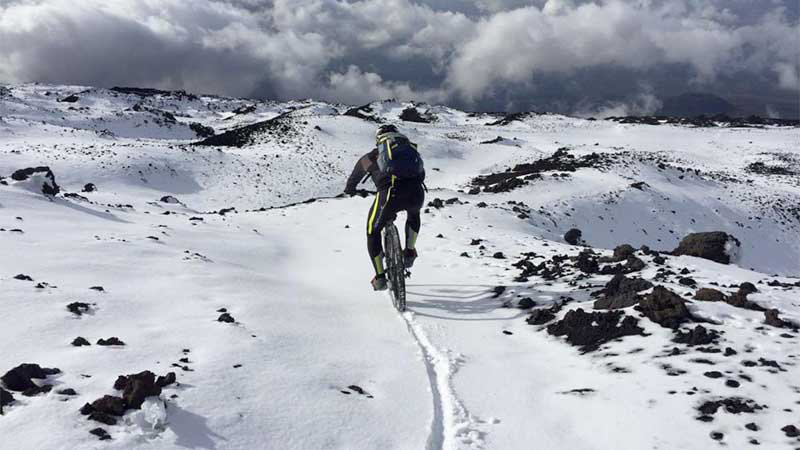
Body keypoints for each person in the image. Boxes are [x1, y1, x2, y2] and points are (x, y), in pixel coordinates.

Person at [344, 124, 425, 291]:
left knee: (372, 232)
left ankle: (380, 277)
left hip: (389, 196)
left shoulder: (370, 158)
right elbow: (421, 173)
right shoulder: (410, 150)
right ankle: (409, 251)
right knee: (413, 214)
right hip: (416, 193)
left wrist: (351, 190)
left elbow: (354, 179)